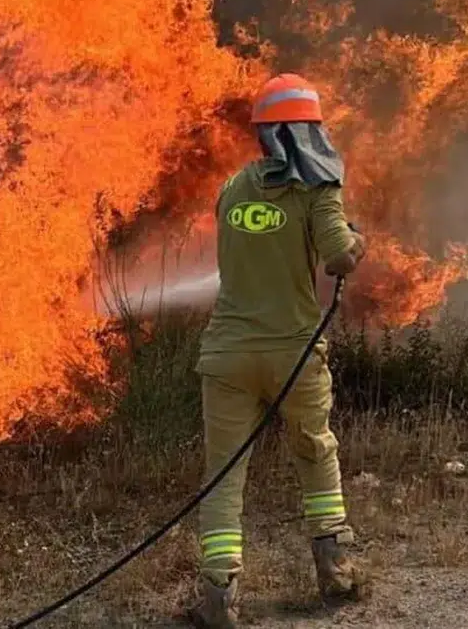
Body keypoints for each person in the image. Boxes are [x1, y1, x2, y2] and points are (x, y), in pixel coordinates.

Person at [189, 73, 369, 629]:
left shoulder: (232, 189)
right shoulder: (316, 190)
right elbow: (338, 258)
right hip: (293, 355)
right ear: (305, 132)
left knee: (224, 472)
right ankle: (336, 571)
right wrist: (354, 239)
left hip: (227, 355)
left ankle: (219, 591)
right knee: (316, 455)